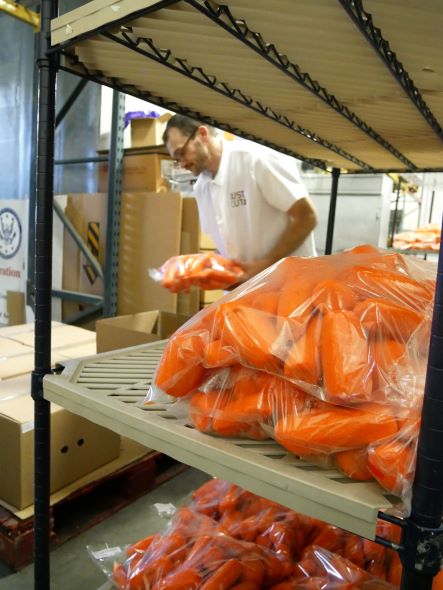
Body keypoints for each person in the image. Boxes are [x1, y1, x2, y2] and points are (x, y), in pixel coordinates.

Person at [163, 115, 318, 283]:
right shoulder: (202, 187)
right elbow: (226, 247)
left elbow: (307, 217)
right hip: (250, 291)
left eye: (182, 153)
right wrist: (201, 271)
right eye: (177, 159)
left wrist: (264, 266)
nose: (182, 164)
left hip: (292, 283)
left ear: (202, 134)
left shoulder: (256, 159)